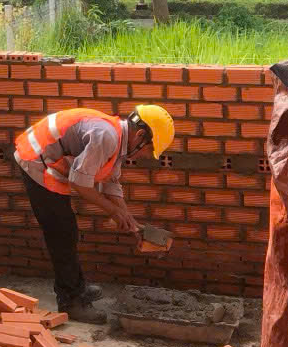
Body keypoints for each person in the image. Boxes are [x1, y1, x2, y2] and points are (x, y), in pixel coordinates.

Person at [13, 104, 175, 323]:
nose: (146, 155)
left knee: (67, 231)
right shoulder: (106, 136)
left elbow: (111, 185)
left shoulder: (118, 141)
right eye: (149, 149)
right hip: (36, 160)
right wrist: (114, 212)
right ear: (140, 135)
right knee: (62, 233)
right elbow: (80, 183)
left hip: (48, 160)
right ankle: (70, 300)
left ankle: (77, 287)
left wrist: (130, 222)